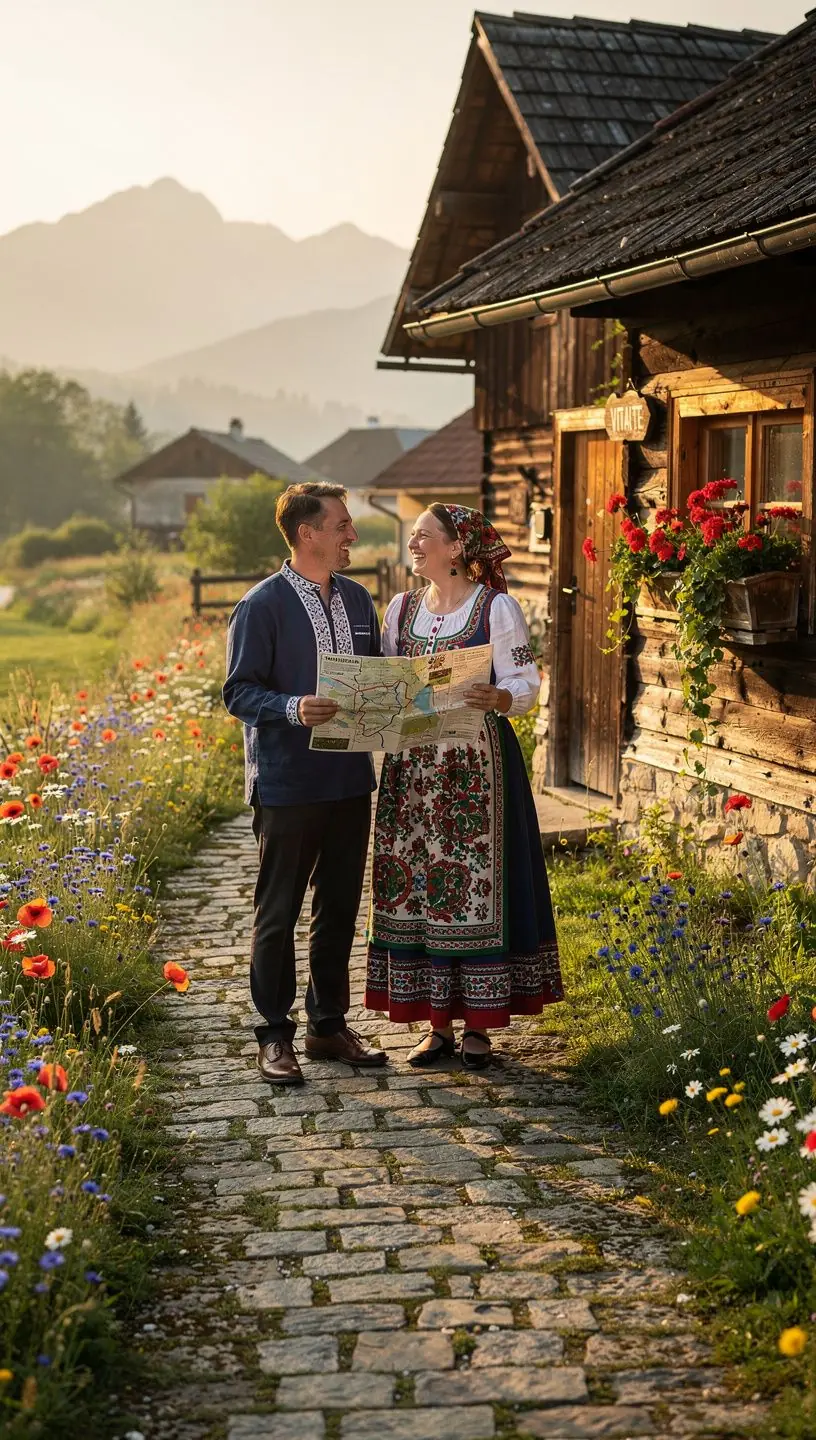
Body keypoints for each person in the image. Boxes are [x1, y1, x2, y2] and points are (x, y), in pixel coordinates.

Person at [365, 503, 563, 1069]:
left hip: (476, 768)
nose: (413, 544)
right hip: (412, 772)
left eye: (423, 536)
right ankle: (437, 1026)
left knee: (475, 887)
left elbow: (525, 682)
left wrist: (500, 696)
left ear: (455, 548)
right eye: (413, 536)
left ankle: (478, 1025)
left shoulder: (495, 607)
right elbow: (387, 682)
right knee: (420, 886)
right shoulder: (400, 609)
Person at [223, 481, 388, 1084]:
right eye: (342, 525)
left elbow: (375, 680)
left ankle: (327, 1025)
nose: (352, 535)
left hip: (350, 779)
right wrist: (294, 708)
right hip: (287, 783)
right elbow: (238, 692)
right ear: (306, 533)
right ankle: (273, 1035)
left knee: (339, 907)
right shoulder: (261, 605)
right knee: (279, 911)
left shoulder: (359, 600)